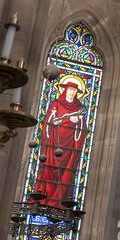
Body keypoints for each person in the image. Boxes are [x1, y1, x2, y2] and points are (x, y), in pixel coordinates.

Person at [36, 74, 88, 207]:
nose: (72, 92)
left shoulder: (79, 108)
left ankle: (62, 200)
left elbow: (83, 129)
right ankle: (43, 198)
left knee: (66, 173)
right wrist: (66, 120)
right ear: (65, 90)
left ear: (77, 92)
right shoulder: (56, 104)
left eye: (74, 90)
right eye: (70, 89)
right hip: (54, 143)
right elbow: (48, 122)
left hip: (70, 146)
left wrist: (77, 124)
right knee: (50, 169)